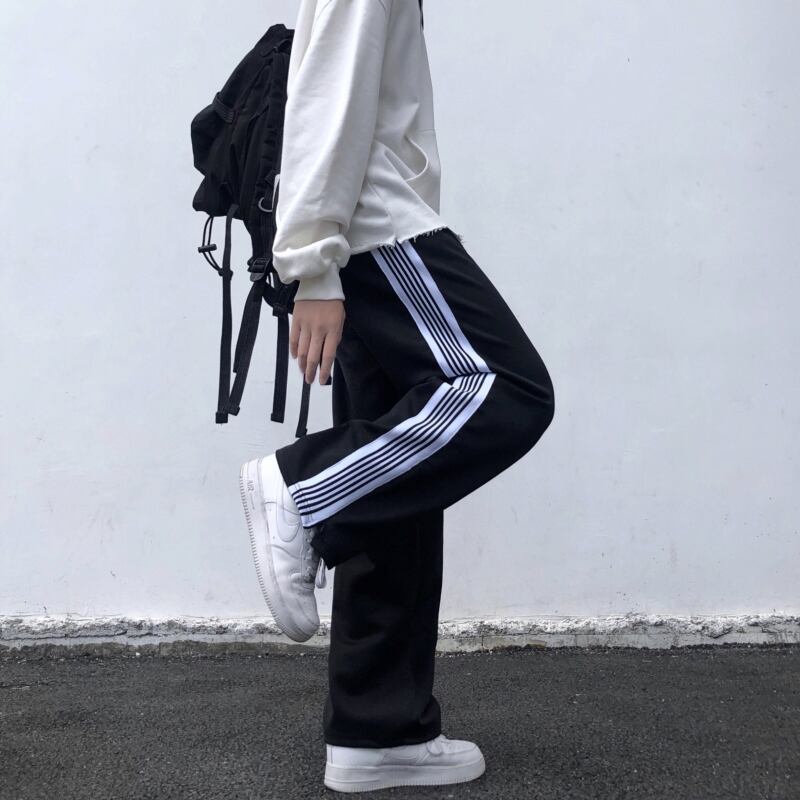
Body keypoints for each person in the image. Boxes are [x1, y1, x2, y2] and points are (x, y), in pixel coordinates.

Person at [238, 0, 555, 792]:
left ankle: (377, 731)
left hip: (358, 235)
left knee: (399, 487)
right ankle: (303, 490)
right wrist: (314, 267)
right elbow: (324, 94)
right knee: (504, 388)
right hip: (376, 229)